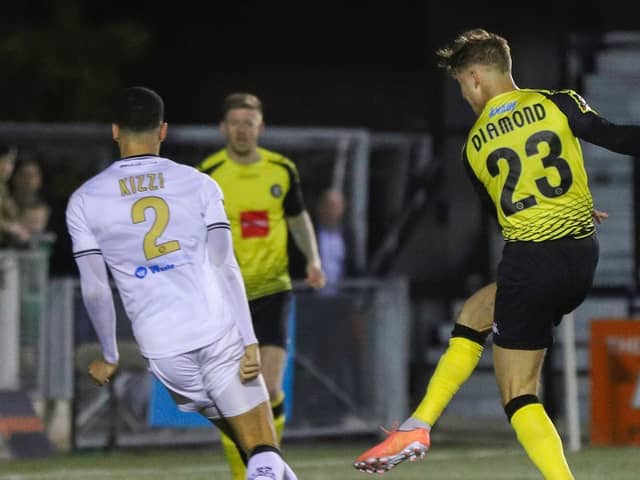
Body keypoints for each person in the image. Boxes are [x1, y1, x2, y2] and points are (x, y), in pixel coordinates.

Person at [354, 28, 640, 479]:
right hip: (581, 256)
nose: (465, 97)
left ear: (474, 78)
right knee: (475, 312)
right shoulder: (557, 102)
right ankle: (418, 423)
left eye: (461, 86)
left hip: (531, 261)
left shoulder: (474, 145)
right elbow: (616, 138)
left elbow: (503, 218)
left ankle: (426, 429)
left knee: (518, 393)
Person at [65, 86, 297, 480]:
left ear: (115, 130)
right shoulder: (197, 182)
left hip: (164, 347)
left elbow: (96, 288)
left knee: (253, 449)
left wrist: (110, 355)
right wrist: (248, 338)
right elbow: (225, 264)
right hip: (215, 329)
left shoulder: (85, 200)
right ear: (164, 130)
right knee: (261, 444)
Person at [197, 92, 326, 479]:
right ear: (224, 128)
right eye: (234, 122)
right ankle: (249, 473)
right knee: (234, 396)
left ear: (260, 127)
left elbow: (298, 218)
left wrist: (314, 259)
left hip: (272, 290)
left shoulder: (281, 170)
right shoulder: (209, 173)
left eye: (248, 122)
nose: (241, 129)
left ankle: (267, 463)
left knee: (267, 389)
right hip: (225, 297)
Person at [0, 144, 31, 247]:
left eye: (10, 162)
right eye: (3, 161)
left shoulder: (3, 187)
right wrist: (11, 227)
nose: (7, 167)